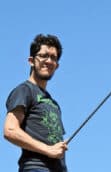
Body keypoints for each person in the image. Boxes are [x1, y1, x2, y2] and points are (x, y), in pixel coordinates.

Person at [3, 34, 68, 172]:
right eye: (43, 55)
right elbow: (10, 130)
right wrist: (48, 149)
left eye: (53, 58)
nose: (49, 61)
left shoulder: (53, 104)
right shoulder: (25, 90)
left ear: (57, 65)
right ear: (31, 61)